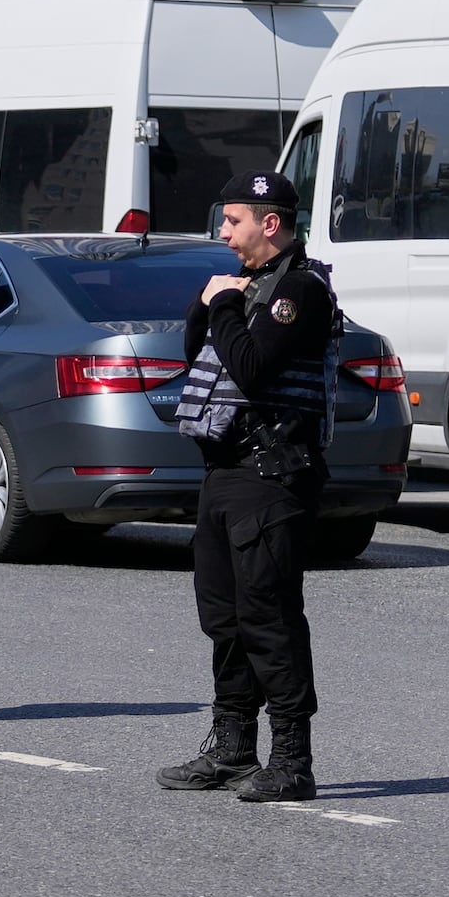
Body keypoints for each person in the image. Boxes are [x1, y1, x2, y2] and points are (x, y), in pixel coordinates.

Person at [156, 171, 340, 802]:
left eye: (232, 222)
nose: (224, 235)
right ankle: (232, 746)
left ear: (270, 223)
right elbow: (194, 351)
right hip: (225, 471)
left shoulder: (300, 290)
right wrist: (207, 305)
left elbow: (253, 365)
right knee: (225, 618)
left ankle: (293, 758)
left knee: (270, 615)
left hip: (273, 473)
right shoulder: (251, 285)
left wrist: (226, 305)